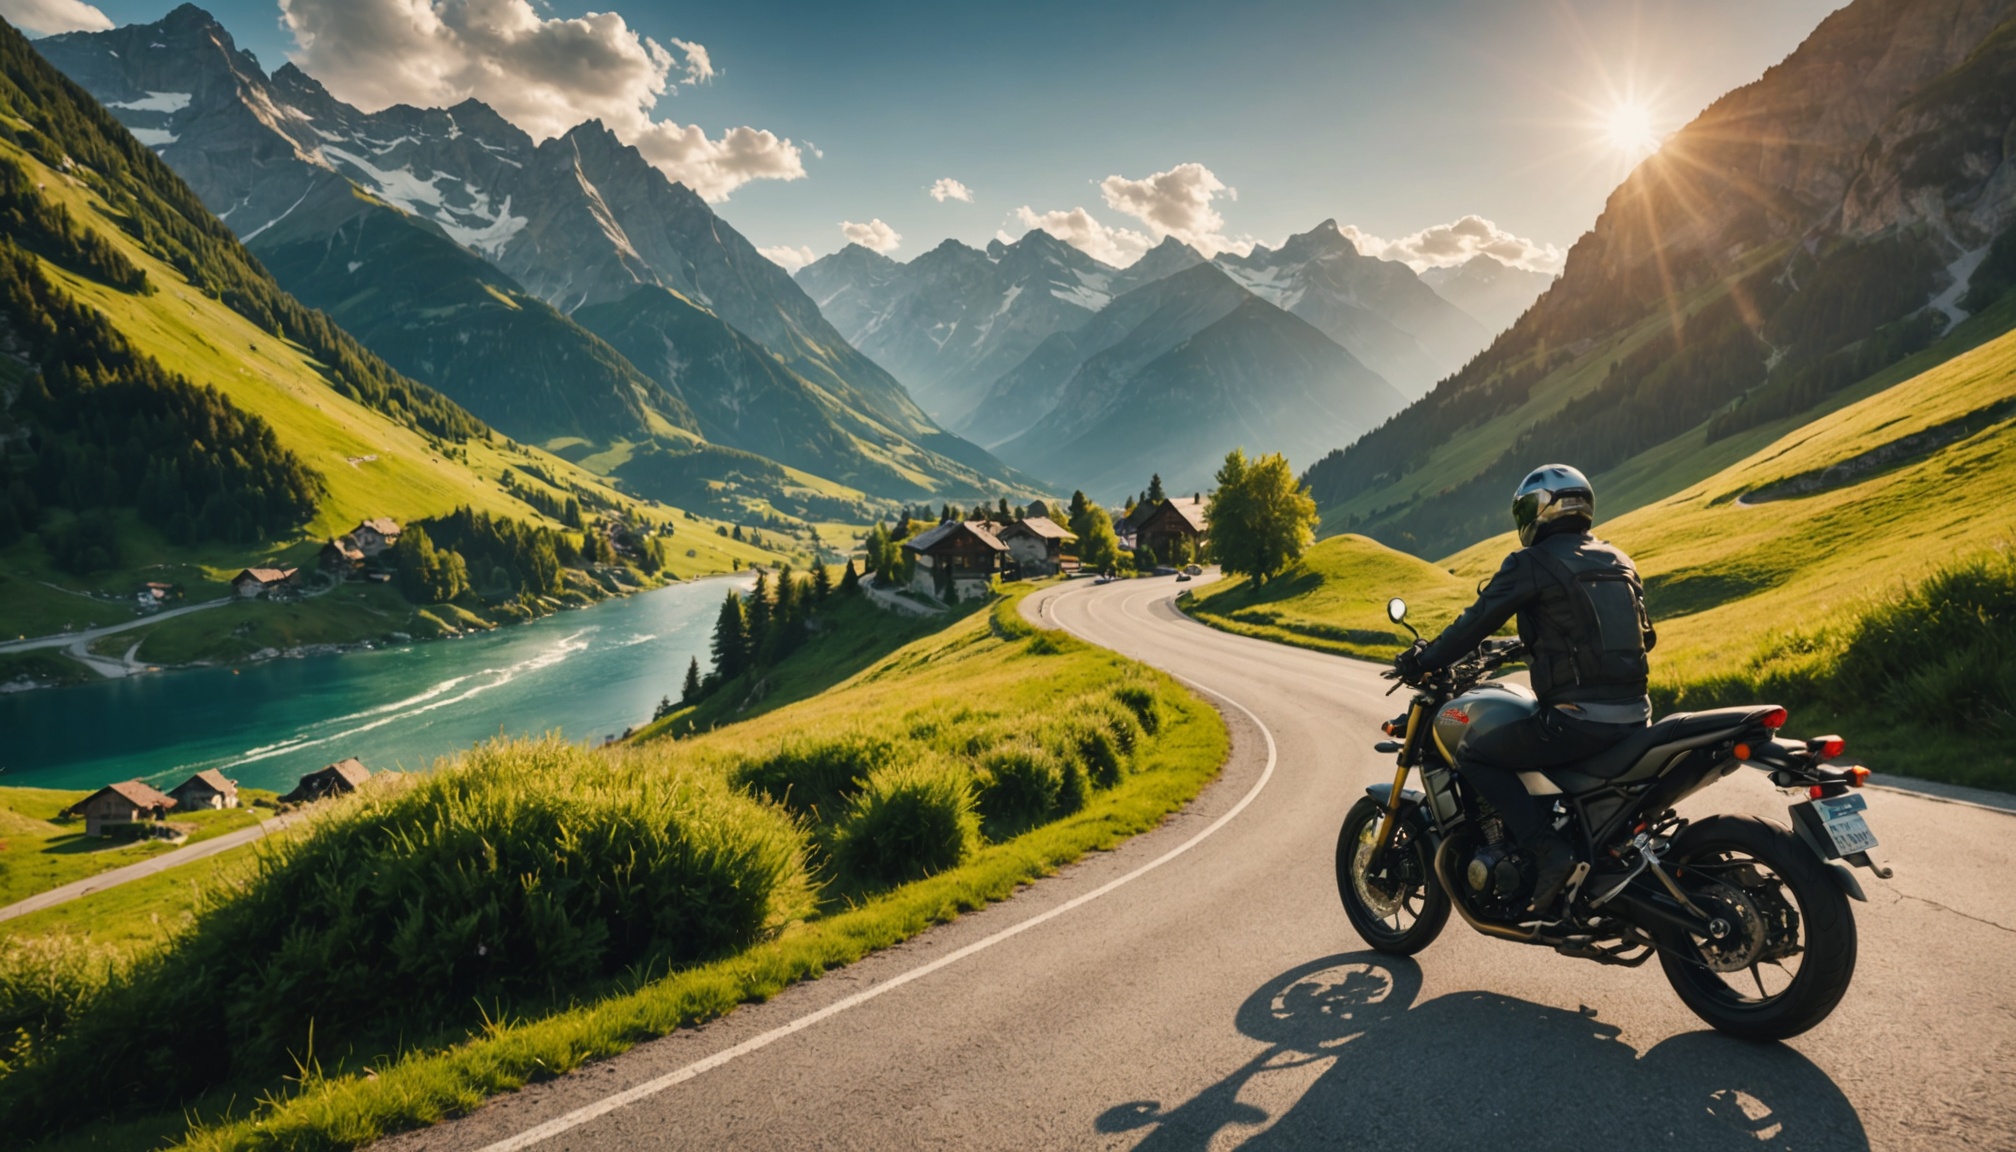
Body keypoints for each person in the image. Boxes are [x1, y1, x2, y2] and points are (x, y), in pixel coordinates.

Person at [1394, 464, 1656, 915]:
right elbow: (1634, 636)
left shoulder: (1532, 563)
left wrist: (1425, 659)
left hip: (1576, 721)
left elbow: (1474, 623)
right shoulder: (1618, 559)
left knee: (1476, 754)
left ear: (1540, 510)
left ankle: (1548, 851)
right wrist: (1522, 645)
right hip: (1636, 716)